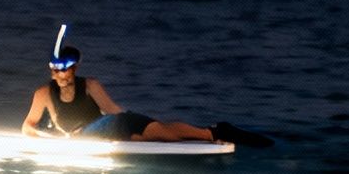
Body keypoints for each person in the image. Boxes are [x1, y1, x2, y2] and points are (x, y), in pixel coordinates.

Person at [20, 47, 271, 147]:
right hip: (87, 135)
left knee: (159, 132)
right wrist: (50, 136)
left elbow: (113, 110)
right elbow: (27, 127)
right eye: (55, 69)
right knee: (157, 134)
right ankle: (212, 132)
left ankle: (213, 133)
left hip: (111, 126)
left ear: (74, 68)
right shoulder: (43, 94)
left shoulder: (90, 85)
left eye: (64, 68)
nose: (59, 74)